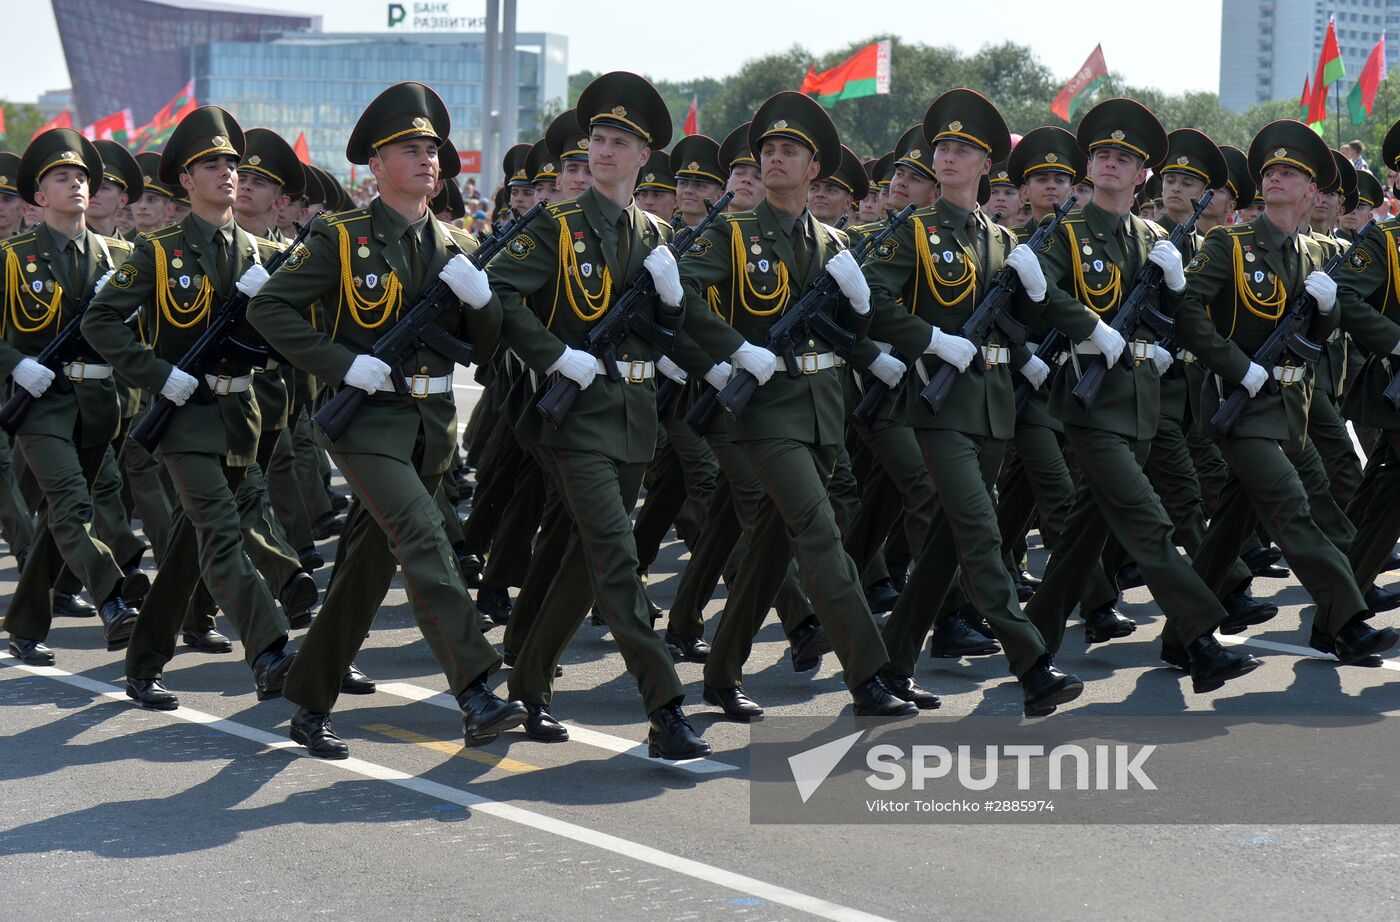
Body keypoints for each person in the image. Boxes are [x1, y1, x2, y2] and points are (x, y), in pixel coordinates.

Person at [247, 82, 528, 758]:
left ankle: (310, 701)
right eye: (410, 148)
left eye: (432, 148)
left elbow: (487, 354)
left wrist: (484, 305)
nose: (428, 158)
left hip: (432, 426)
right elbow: (270, 310)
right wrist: (341, 364)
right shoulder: (340, 238)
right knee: (426, 541)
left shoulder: (459, 243)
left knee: (365, 570)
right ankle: (477, 689)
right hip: (367, 422)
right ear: (375, 165)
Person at [485, 72, 711, 759]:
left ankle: (525, 689)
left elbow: (681, 333)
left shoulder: (659, 236)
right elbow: (499, 295)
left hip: (635, 414)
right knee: (617, 560)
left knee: (587, 563)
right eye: (597, 141)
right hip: (574, 415)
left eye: (618, 143)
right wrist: (555, 355)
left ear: (646, 158)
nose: (604, 153)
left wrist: (673, 304)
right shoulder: (556, 225)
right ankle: (666, 707)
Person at [677, 90, 918, 719]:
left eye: (790, 151)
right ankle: (870, 674)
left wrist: (861, 311)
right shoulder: (730, 232)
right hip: (763, 409)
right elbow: (682, 301)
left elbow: (849, 330)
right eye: (768, 150)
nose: (775, 159)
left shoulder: (835, 245)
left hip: (822, 409)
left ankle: (721, 675)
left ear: (815, 170)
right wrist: (735, 349)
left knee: (769, 550)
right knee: (820, 536)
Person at [1020, 97, 1260, 693]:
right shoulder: (1064, 232)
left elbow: (1187, 321)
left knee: (1082, 536)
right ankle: (1202, 642)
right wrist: (1089, 326)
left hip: (1144, 403)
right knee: (1150, 523)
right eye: (1100, 155)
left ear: (1141, 174)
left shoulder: (1155, 236)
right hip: (1089, 401)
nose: (1108, 164)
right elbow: (1041, 291)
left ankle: (1031, 644)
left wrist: (1178, 284)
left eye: (1122, 159)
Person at [84, 107, 301, 708]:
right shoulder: (158, 252)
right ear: (185, 179)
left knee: (188, 547)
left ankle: (142, 663)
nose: (227, 173)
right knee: (223, 533)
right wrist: (161, 376)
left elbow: (289, 335)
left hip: (244, 418)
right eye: (213, 164)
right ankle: (271, 649)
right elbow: (103, 322)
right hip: (185, 420)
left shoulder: (262, 253)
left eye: (232, 163)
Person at [1176, 118, 1399, 667]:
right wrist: (1237, 366)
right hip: (1240, 405)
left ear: (1311, 191)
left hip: (1290, 409)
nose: (1276, 178)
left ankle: (1177, 635)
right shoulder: (1230, 243)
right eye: (1270, 170)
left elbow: (1313, 337)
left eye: (1290, 172)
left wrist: (1326, 312)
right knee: (1295, 509)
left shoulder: (1315, 255)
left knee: (1232, 524)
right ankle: (1347, 620)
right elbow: (1187, 313)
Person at [1, 128, 146, 665]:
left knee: (62, 520)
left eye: (83, 177)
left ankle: (24, 623)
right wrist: (17, 364)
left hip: (101, 403)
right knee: (71, 504)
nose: (77, 184)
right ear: (39, 197)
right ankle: (114, 597)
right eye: (63, 177)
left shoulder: (120, 255)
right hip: (41, 403)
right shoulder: (14, 256)